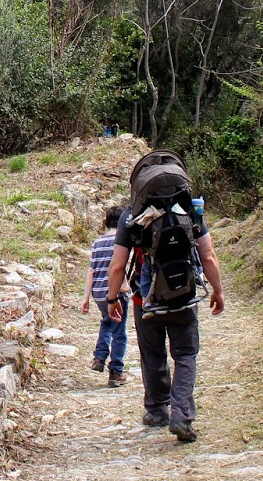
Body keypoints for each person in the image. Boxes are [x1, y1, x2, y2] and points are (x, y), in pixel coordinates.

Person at [107, 168, 225, 443]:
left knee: (153, 355)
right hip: (184, 298)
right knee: (185, 356)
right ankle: (181, 415)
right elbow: (208, 256)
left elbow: (117, 266)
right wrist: (217, 290)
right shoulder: (190, 210)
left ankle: (157, 410)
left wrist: (113, 299)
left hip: (144, 299)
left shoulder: (130, 217)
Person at [80, 205, 129, 387]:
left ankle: (99, 356)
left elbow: (91, 271)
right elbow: (121, 266)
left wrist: (86, 297)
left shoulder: (97, 242)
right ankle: (116, 371)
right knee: (119, 332)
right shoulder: (121, 240)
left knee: (106, 322)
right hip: (115, 292)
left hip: (98, 293)